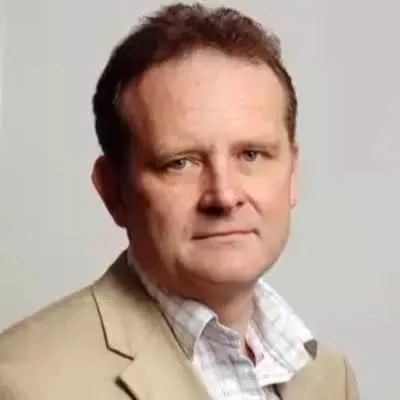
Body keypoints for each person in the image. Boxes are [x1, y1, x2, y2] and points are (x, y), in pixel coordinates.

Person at [0, 3, 359, 399]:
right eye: (180, 163)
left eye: (251, 155)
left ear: (292, 174)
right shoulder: (21, 384)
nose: (224, 196)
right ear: (113, 191)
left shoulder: (329, 379)